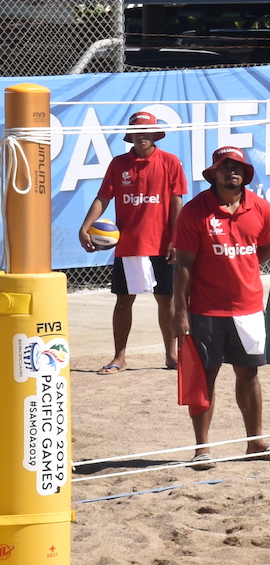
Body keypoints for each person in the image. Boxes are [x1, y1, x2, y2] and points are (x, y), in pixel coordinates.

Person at [170, 147, 270, 466]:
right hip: (205, 311)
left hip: (248, 308)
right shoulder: (195, 211)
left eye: (237, 166)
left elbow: (267, 246)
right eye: (225, 166)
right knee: (205, 377)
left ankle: (255, 443)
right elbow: (183, 265)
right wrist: (180, 311)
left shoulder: (260, 207)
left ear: (245, 173)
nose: (231, 171)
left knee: (248, 374)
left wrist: (242, 268)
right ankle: (202, 448)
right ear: (214, 173)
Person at [79, 109, 186, 373]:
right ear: (131, 135)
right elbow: (103, 197)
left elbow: (176, 202)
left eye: (146, 131)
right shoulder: (118, 164)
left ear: (154, 134)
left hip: (161, 244)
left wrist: (176, 238)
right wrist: (85, 227)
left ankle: (171, 356)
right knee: (124, 301)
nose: (142, 136)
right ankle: (119, 358)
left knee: (166, 300)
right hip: (128, 246)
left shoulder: (170, 162)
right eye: (137, 131)